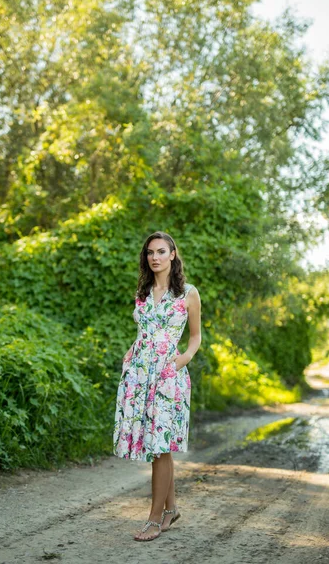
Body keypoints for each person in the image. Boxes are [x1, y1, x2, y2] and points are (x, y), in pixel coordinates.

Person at [113, 230, 202, 541]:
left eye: (161, 251)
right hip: (140, 372)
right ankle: (170, 509)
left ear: (172, 255)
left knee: (159, 448)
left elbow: (195, 336)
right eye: (150, 252)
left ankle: (153, 520)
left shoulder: (188, 293)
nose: (155, 257)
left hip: (167, 374)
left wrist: (183, 359)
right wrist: (131, 349)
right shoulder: (143, 291)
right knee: (158, 445)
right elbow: (144, 331)